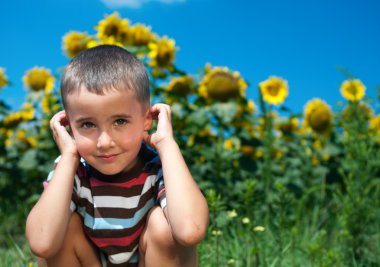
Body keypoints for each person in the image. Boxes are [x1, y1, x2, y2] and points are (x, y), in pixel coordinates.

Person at [26, 44, 209, 267]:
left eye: (120, 121)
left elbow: (190, 230)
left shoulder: (158, 165)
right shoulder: (72, 168)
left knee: (163, 227)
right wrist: (69, 157)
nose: (105, 142)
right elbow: (42, 243)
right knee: (61, 229)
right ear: (68, 126)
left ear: (147, 120)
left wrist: (167, 145)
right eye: (87, 124)